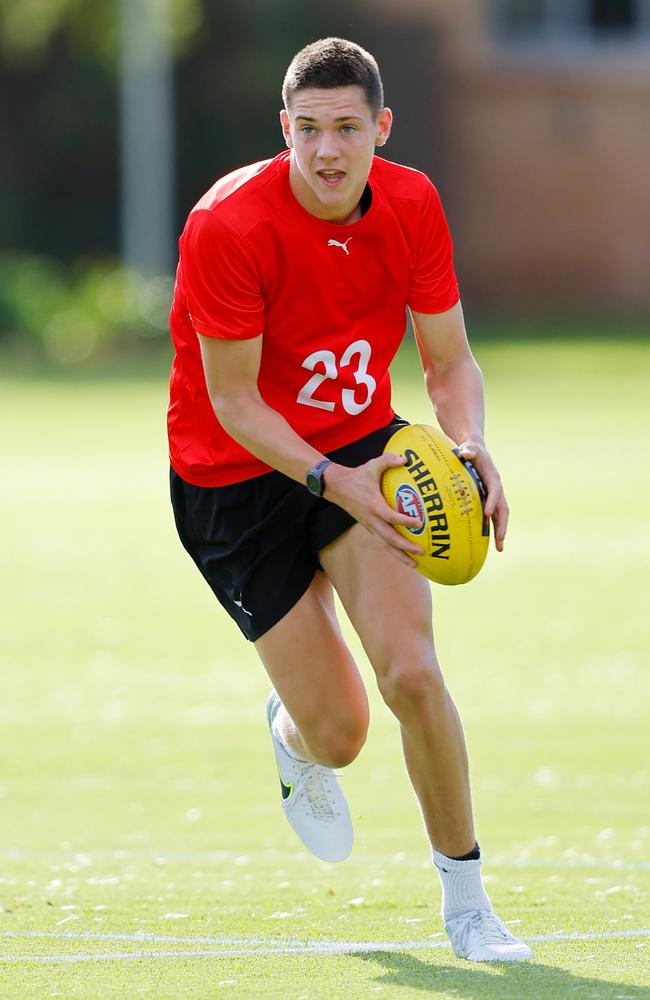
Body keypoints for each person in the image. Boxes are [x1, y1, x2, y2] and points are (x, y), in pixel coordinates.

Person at [167, 37, 532, 962]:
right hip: (234, 480)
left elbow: (448, 362)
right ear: (283, 129)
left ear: (382, 129)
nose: (328, 152)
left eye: (348, 129)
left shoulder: (412, 204)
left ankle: (467, 903)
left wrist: (471, 443)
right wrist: (334, 481)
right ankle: (292, 733)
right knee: (341, 734)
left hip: (364, 447)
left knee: (411, 674)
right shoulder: (229, 224)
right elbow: (237, 402)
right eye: (309, 130)